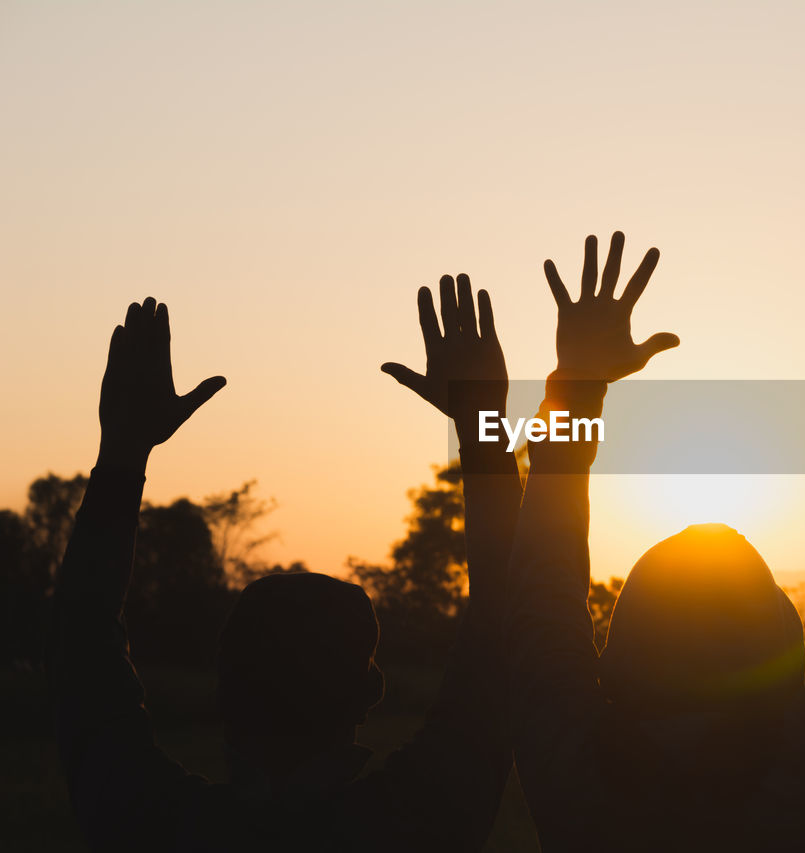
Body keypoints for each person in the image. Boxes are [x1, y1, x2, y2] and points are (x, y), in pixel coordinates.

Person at [504, 203, 805, 851]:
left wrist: (578, 389)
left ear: (615, 664)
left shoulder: (578, 787)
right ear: (783, 658)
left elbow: (540, 590)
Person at [49, 282, 520, 851]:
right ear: (371, 692)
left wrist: (123, 453)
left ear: (220, 690)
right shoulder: (420, 821)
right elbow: (505, 617)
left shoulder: (149, 822)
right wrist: (482, 426)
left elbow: (81, 639)